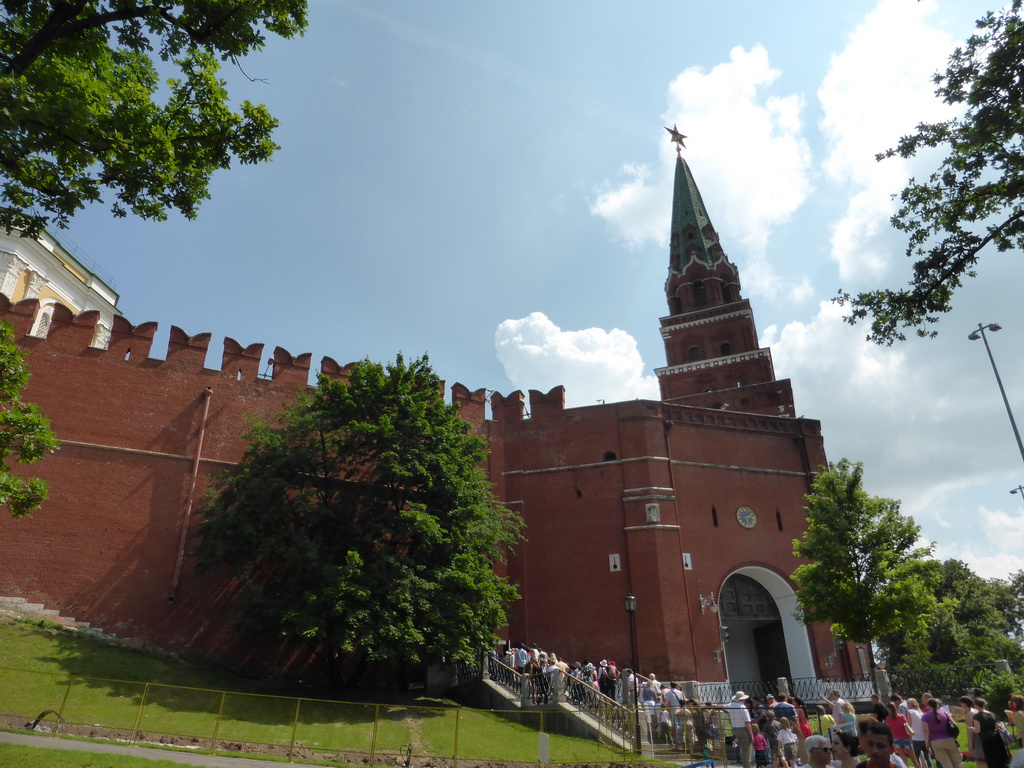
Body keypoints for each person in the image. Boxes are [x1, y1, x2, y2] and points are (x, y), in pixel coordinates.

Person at [921, 696, 963, 768]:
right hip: (949, 739)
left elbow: (926, 731)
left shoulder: (925, 716)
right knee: (957, 762)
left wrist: (926, 742)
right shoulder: (944, 713)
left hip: (936, 741)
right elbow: (954, 725)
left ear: (928, 705)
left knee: (946, 764)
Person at [970, 697, 1010, 768]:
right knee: (1001, 758)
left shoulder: (977, 716)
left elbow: (978, 730)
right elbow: (996, 726)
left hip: (986, 740)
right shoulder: (991, 714)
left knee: (991, 759)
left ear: (976, 705)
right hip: (997, 737)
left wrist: (971, 729)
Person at [728, 691, 755, 768]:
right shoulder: (742, 707)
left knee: (742, 749)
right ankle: (747, 766)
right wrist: (751, 735)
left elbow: (723, 707)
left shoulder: (731, 705)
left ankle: (744, 764)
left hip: (736, 728)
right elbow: (747, 722)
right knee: (747, 751)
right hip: (743, 729)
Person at [886, 701, 918, 768]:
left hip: (896, 739)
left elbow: (889, 730)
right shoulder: (901, 716)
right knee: (914, 760)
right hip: (905, 738)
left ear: (888, 709)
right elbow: (906, 726)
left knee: (903, 759)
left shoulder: (888, 719)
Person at [906, 698, 933, 768]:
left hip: (916, 737)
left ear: (912, 704)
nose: (907, 704)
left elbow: (909, 725)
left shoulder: (910, 712)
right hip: (924, 737)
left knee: (916, 757)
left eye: (908, 703)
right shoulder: (921, 712)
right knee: (927, 756)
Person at [961, 696, 987, 768]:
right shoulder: (975, 711)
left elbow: (970, 729)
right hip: (983, 736)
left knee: (979, 761)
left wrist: (970, 744)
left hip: (976, 738)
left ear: (964, 704)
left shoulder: (969, 713)